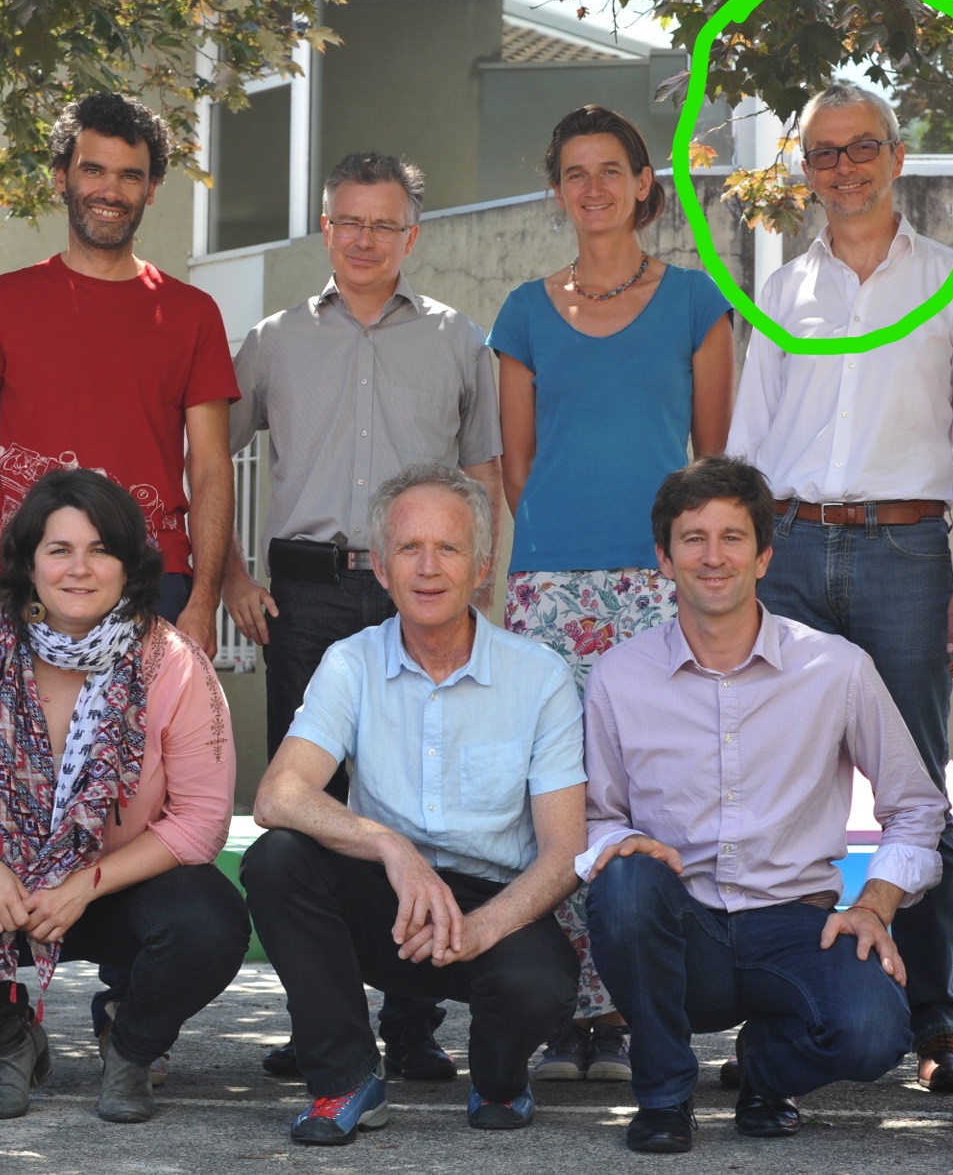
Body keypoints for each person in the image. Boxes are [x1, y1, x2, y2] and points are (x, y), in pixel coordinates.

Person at [223, 151, 503, 1081]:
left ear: (410, 236)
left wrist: (480, 588)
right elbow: (207, 456)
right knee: (307, 814)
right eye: (350, 221)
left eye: (385, 224)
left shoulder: (459, 341)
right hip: (304, 597)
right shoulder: (274, 341)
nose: (366, 239)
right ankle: (322, 1025)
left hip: (420, 593)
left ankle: (414, 1024)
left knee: (420, 800)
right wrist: (228, 576)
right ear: (327, 228)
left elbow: (485, 477)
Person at [725, 81, 953, 1092]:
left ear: (898, 155)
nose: (844, 168)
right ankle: (787, 1012)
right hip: (789, 552)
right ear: (806, 171)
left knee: (917, 781)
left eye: (861, 147)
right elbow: (749, 439)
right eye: (824, 154)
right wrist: (740, 563)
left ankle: (936, 1023)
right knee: (781, 785)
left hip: (906, 552)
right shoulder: (784, 291)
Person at [581, 455, 950, 1152]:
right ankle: (664, 1097)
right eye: (693, 538)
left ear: (764, 557)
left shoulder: (835, 667)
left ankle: (766, 1070)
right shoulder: (619, 677)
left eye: (732, 537)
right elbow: (599, 818)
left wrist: (874, 904)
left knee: (875, 1032)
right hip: (682, 927)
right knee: (623, 882)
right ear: (664, 558)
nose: (712, 556)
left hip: (796, 925)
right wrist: (621, 846)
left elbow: (916, 807)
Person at [0, 468, 249, 1122]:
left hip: (121, 887)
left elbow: (201, 822)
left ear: (129, 565)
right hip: (4, 893)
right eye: (60, 549)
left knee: (211, 923)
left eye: (101, 549)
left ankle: (132, 1050)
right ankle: (9, 1042)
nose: (80, 569)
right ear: (29, 563)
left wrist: (84, 885)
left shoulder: (175, 663)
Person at [490, 103, 734, 1082]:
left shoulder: (696, 302)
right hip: (547, 586)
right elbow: (517, 469)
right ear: (557, 192)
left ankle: (638, 1001)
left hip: (657, 585)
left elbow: (712, 465)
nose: (592, 188)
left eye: (610, 171)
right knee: (556, 792)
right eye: (574, 173)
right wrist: (562, 551)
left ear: (642, 185)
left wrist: (679, 568)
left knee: (651, 787)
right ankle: (567, 1003)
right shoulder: (522, 312)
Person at [241, 464, 583, 1144]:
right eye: (409, 549)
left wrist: (478, 929)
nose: (428, 568)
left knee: (542, 985)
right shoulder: (351, 662)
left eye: (448, 548)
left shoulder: (539, 676)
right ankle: (345, 1079)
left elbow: (566, 851)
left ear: (480, 568)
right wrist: (391, 848)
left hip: (492, 906)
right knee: (277, 859)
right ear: (381, 568)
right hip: (388, 900)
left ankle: (499, 1079)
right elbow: (278, 796)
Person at [0, 90, 237, 659]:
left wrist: (204, 599)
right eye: (93, 169)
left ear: (151, 189)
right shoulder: (0, 302)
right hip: (24, 576)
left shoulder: (192, 314)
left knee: (157, 727)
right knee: (11, 726)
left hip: (154, 580)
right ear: (61, 177)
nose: (110, 191)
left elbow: (211, 467)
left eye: (130, 176)